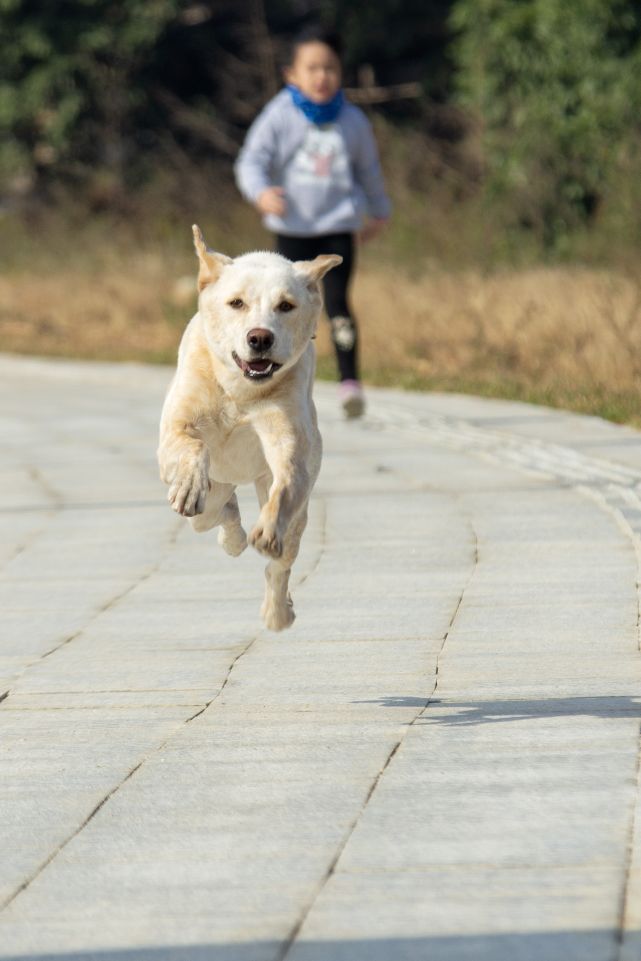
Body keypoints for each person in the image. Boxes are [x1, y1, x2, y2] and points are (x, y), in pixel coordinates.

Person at [234, 25, 391, 418]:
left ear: (340, 73)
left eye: (330, 69)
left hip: (337, 228)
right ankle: (280, 380)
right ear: (293, 75)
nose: (322, 77)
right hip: (292, 232)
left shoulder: (352, 122)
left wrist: (379, 209)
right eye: (313, 68)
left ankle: (350, 383)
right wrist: (261, 193)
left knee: (337, 303)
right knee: (285, 309)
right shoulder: (279, 115)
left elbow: (369, 170)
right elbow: (250, 161)